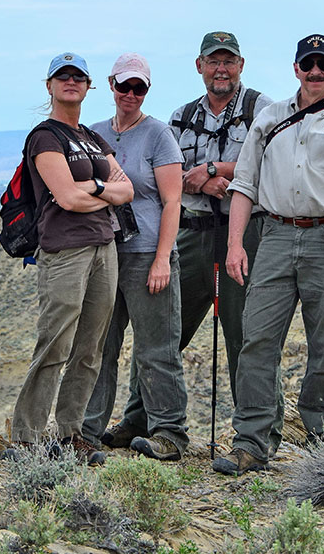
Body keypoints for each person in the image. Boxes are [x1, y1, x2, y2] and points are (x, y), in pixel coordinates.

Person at [212, 34, 324, 476]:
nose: (315, 72)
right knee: (256, 340)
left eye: (323, 64)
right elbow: (244, 186)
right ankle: (252, 443)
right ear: (296, 68)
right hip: (272, 235)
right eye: (307, 64)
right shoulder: (269, 120)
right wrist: (235, 246)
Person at [9, 53, 132, 464]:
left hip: (104, 246)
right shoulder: (46, 136)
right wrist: (101, 190)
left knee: (90, 348)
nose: (70, 82)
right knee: (55, 344)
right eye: (62, 76)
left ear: (89, 86)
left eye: (78, 76)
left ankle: (69, 434)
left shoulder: (92, 139)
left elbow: (126, 190)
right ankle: (27, 438)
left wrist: (91, 187)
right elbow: (65, 197)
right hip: (64, 251)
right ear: (49, 86)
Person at [82, 53, 190, 461]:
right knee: (98, 347)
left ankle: (169, 433)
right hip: (104, 254)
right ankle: (87, 431)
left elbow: (173, 200)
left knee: (156, 348)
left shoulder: (159, 135)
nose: (130, 94)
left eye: (138, 87)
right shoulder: (92, 133)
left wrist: (163, 257)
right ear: (110, 85)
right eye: (123, 85)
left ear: (146, 90)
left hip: (147, 255)